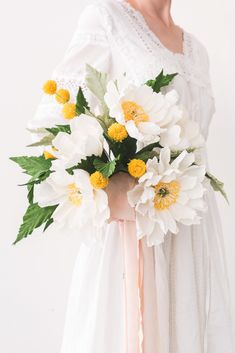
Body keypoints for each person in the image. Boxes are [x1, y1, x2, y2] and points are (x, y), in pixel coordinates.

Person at [29, 0, 234, 352]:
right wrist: (111, 185)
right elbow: (55, 122)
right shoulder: (107, 18)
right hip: (135, 229)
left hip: (187, 226)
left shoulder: (196, 50)